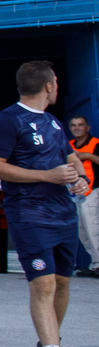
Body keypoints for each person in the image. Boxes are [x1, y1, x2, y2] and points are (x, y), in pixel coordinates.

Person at [0, 60, 88, 347]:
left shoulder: (54, 123)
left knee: (62, 282)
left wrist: (80, 177)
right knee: (43, 284)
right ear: (48, 86)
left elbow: (69, 158)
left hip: (63, 215)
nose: (57, 87)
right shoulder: (6, 121)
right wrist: (47, 176)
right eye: (56, 82)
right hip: (30, 216)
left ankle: (49, 339)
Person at [67, 116, 99, 277]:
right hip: (75, 193)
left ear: (88, 127)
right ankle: (95, 264)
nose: (77, 128)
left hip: (92, 192)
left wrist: (87, 155)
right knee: (83, 230)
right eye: (73, 125)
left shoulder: (96, 143)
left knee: (94, 228)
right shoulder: (69, 146)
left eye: (80, 125)